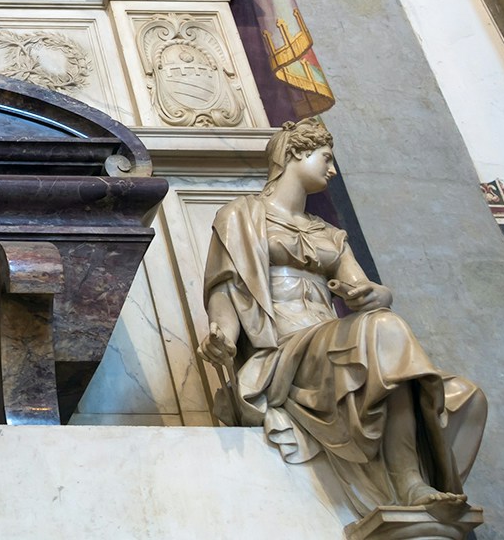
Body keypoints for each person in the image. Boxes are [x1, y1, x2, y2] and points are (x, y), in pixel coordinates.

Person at [200, 119, 486, 522]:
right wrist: (224, 338)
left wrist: (371, 295)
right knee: (385, 328)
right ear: (296, 153)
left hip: (334, 342)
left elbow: (369, 290)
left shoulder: (329, 234)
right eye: (327, 158)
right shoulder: (241, 217)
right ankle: (408, 482)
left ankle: (413, 483)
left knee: (467, 398)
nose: (332, 170)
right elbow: (226, 287)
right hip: (284, 351)